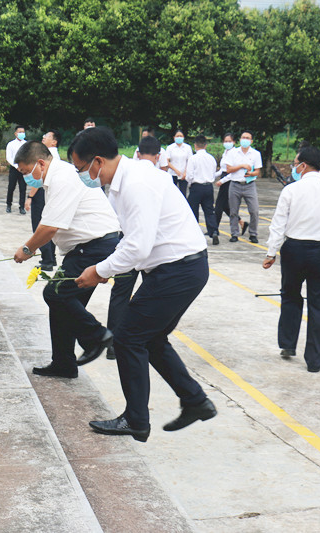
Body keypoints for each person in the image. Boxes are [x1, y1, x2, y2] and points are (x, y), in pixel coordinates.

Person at [71, 129, 217, 443]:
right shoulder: (121, 184)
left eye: (82, 169)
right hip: (175, 268)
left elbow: (138, 246)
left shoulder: (136, 183)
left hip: (179, 269)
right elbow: (132, 240)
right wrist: (106, 267)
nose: (84, 176)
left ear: (98, 161)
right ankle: (195, 401)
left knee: (127, 338)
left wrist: (99, 270)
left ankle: (136, 420)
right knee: (150, 338)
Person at [13, 141, 120, 379]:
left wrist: (27, 249)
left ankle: (97, 336)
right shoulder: (57, 177)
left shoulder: (63, 178)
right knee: (63, 305)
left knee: (55, 294)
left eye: (25, 172)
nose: (25, 178)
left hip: (93, 246)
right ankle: (64, 363)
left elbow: (50, 226)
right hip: (89, 247)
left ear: (41, 164)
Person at [262, 145, 320, 373]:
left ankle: (287, 343)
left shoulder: (291, 191)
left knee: (290, 295)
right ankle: (315, 361)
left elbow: (278, 224)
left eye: (295, 164)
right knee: (319, 305)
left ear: (303, 166)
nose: (294, 168)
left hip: (294, 250)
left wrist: (271, 252)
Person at [23, 130, 60, 271]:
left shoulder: (48, 156)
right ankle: (51, 257)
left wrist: (30, 197)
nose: (44, 138)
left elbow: (39, 178)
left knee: (39, 225)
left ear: (54, 142)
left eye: (47, 136)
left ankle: (47, 259)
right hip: (45, 190)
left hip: (40, 192)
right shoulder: (53, 154)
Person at [224, 130, 262, 243]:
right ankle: (234, 233)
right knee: (233, 211)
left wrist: (251, 173)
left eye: (247, 138)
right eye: (243, 137)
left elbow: (257, 171)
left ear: (251, 141)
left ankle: (253, 233)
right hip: (235, 184)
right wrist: (241, 166)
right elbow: (228, 169)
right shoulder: (233, 153)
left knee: (254, 210)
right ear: (240, 140)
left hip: (249, 185)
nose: (245, 140)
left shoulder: (255, 154)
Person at [185, 135, 219, 245]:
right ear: (206, 145)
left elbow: (189, 175)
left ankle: (194, 234)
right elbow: (213, 174)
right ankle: (214, 231)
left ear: (195, 145)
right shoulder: (211, 158)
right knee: (209, 211)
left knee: (193, 211)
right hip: (208, 187)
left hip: (196, 187)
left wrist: (190, 184)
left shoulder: (193, 158)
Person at [214, 133, 246, 236]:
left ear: (234, 142)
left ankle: (214, 229)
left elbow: (233, 172)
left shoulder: (235, 153)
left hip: (229, 180)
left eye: (229, 141)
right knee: (224, 206)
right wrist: (211, 176)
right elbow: (222, 170)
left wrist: (222, 181)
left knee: (219, 205)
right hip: (224, 177)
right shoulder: (225, 153)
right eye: (225, 141)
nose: (227, 143)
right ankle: (241, 222)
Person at [5, 125, 28, 214]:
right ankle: (8, 205)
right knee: (11, 187)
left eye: (23, 132)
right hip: (14, 168)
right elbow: (9, 157)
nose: (22, 134)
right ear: (15, 133)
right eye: (20, 132)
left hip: (24, 168)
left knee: (23, 188)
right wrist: (16, 166)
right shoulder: (11, 144)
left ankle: (22, 207)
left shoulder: (26, 144)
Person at [165, 129, 193, 196]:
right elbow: (166, 161)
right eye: (177, 136)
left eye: (181, 136)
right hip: (172, 173)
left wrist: (185, 173)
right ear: (174, 137)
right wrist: (176, 170)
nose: (179, 137)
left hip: (184, 175)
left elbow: (190, 161)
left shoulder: (187, 147)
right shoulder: (170, 147)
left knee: (183, 193)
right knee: (172, 193)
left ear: (183, 137)